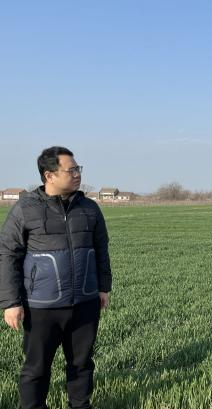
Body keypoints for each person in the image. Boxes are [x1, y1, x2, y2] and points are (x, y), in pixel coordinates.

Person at [0, 146, 112, 409]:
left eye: (78, 169)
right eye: (70, 170)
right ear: (49, 175)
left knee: (82, 364)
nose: (77, 174)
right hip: (42, 306)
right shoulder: (26, 208)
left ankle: (80, 405)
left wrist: (103, 287)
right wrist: (11, 303)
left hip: (85, 302)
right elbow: (7, 254)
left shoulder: (90, 208)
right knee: (36, 367)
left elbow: (101, 249)